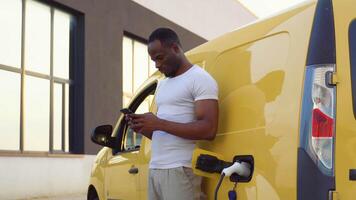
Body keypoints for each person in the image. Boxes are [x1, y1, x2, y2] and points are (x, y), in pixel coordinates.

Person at [127, 27, 219, 200]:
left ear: (176, 48)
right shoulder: (162, 84)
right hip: (156, 168)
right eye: (153, 60)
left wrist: (159, 123)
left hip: (180, 169)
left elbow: (209, 129)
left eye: (160, 58)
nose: (157, 65)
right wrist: (143, 127)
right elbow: (163, 133)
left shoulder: (200, 79)